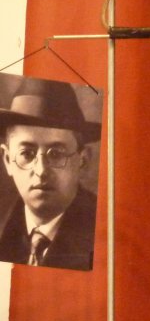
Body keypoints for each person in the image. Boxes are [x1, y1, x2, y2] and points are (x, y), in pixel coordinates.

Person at [0, 75, 100, 270]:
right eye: (26, 154)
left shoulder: (104, 233)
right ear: (7, 160)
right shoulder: (5, 234)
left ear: (82, 160)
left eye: (56, 154)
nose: (41, 171)